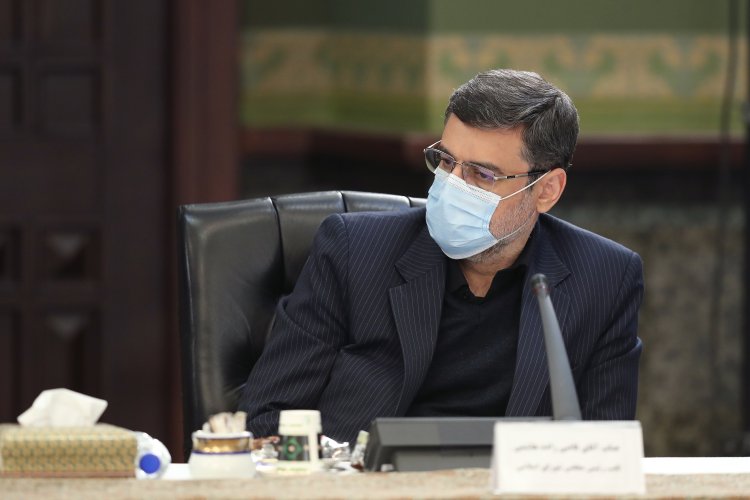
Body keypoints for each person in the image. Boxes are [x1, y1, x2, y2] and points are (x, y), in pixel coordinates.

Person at [239, 69, 644, 443]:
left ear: (547, 190)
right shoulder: (353, 251)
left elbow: (605, 449)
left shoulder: (605, 277)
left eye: (482, 174)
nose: (453, 185)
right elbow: (267, 418)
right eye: (447, 161)